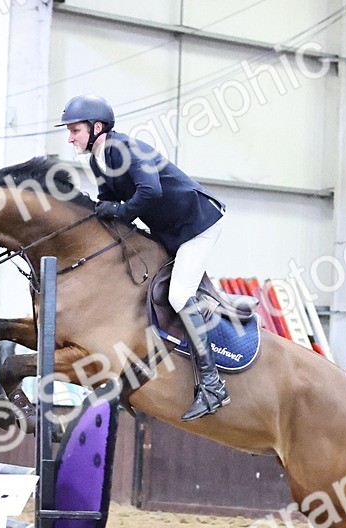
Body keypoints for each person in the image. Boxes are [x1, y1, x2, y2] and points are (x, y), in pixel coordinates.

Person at [57, 94, 229, 421]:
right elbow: (107, 199)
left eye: (75, 130)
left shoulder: (124, 150)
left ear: (96, 127)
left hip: (198, 225)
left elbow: (150, 191)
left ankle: (212, 384)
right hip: (172, 230)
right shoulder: (99, 160)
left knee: (179, 294)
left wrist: (120, 211)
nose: (70, 137)